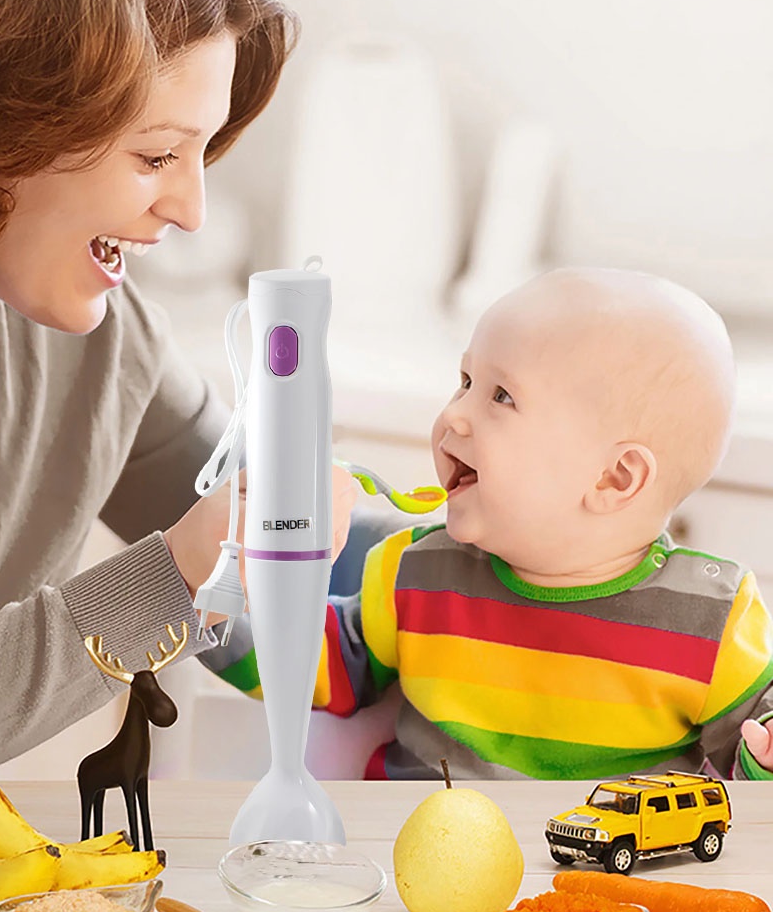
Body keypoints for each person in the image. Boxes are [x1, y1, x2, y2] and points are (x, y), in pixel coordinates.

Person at [0, 0, 358, 779]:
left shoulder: (102, 349)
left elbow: (317, 534)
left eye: (200, 154)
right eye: (156, 157)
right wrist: (172, 574)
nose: (192, 212)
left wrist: (525, 506)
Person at [203, 267, 773, 782]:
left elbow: (749, 772)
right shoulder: (416, 572)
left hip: (606, 882)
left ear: (614, 479)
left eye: (501, 396)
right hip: (415, 863)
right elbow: (311, 668)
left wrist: (764, 757)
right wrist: (207, 602)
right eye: (465, 381)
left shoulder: (712, 620)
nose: (454, 412)